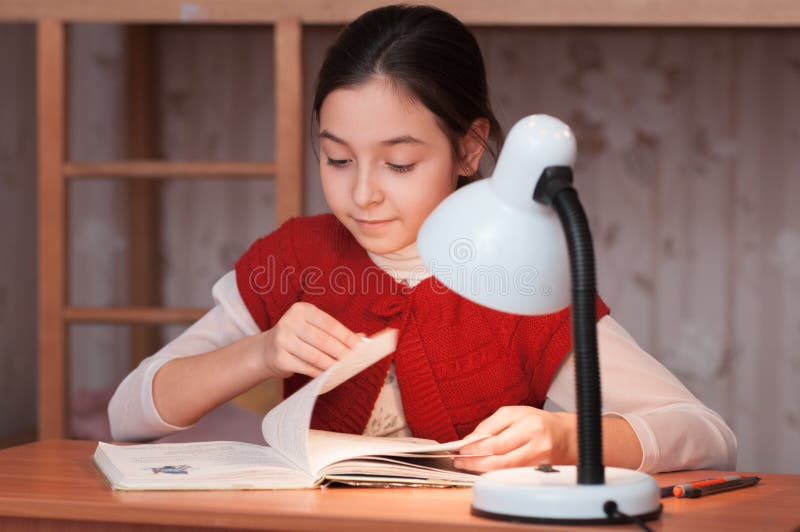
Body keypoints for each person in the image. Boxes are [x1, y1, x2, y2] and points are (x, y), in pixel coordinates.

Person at [108, 4, 736, 474]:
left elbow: (707, 435)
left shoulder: (521, 274)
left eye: (399, 165)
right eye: (336, 159)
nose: (363, 195)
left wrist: (569, 439)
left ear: (468, 147)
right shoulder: (296, 258)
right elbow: (126, 416)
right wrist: (263, 353)